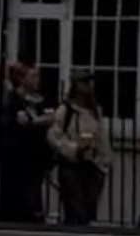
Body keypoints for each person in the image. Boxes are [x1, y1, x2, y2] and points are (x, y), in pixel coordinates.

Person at [47, 73, 113, 227]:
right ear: (76, 85)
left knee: (88, 212)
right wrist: (74, 148)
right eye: (85, 82)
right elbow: (54, 136)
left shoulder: (95, 111)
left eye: (90, 82)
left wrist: (104, 163)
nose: (89, 85)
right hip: (72, 167)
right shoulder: (66, 110)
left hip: (92, 166)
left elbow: (102, 137)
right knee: (76, 212)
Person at [0, 60, 54, 224]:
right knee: (17, 205)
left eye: (38, 76)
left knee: (33, 202)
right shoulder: (12, 101)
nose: (37, 80)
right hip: (16, 162)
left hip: (36, 162)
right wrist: (28, 123)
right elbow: (7, 127)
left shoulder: (41, 101)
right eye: (33, 76)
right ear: (21, 78)